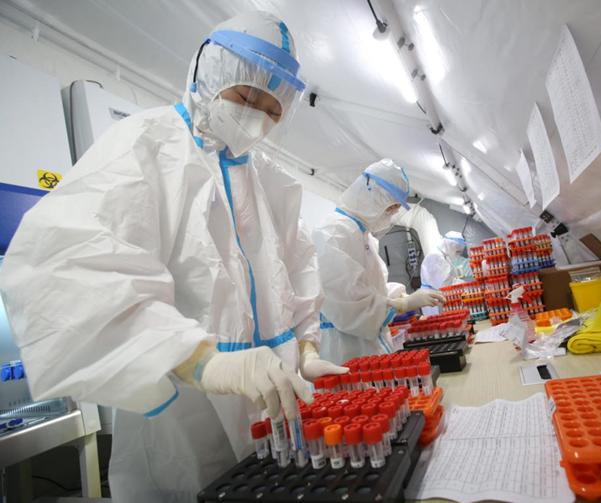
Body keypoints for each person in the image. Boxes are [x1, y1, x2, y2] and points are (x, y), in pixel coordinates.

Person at [0, 11, 346, 502]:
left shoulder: (270, 181)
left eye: (272, 111)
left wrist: (306, 350)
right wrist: (202, 362)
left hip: (276, 410)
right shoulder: (147, 146)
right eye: (248, 98)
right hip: (183, 423)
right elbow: (69, 264)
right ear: (211, 74)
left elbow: (297, 268)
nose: (257, 119)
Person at [313, 159, 446, 364]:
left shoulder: (362, 236)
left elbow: (373, 288)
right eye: (391, 207)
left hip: (369, 344)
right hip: (346, 348)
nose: (392, 214)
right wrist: (404, 303)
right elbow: (348, 303)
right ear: (372, 196)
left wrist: (401, 296)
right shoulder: (333, 234)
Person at [420, 231, 472, 315]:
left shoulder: (444, 256)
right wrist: (465, 286)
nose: (458, 255)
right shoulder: (435, 256)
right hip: (433, 299)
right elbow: (444, 284)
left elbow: (450, 278)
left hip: (437, 296)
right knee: (437, 320)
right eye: (457, 251)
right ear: (450, 245)